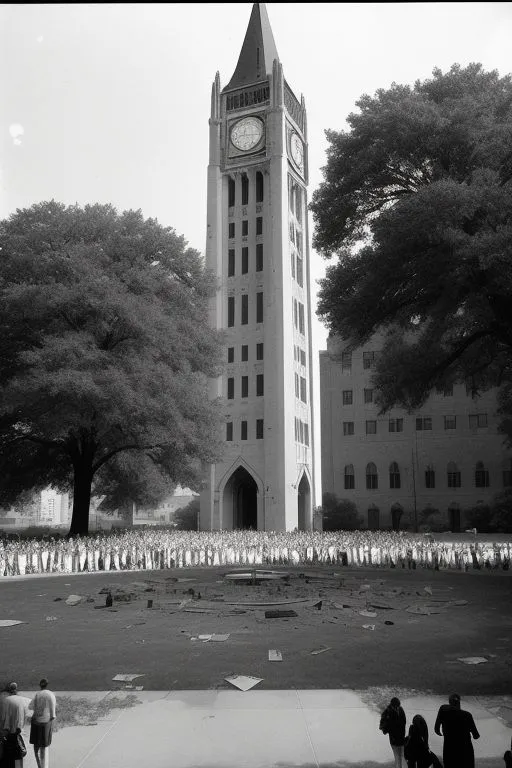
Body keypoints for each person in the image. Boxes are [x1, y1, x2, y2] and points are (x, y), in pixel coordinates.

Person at [434, 693, 480, 768]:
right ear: (459, 702)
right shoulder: (467, 715)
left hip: (449, 751)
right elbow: (476, 736)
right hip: (465, 752)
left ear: (449, 702)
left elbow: (436, 729)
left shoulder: (443, 710)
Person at [29, 678, 56, 768]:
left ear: (40, 685)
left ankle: (39, 765)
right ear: (47, 685)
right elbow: (53, 714)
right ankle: (43, 766)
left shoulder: (37, 694)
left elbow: (30, 707)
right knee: (44, 746)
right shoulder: (51, 694)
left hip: (36, 722)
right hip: (46, 723)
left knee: (36, 746)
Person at [1, 682, 29, 768]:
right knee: (18, 757)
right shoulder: (23, 700)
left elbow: (3, 718)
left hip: (8, 734)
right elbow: (27, 716)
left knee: (7, 760)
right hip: (19, 733)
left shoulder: (6, 700)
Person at [380, 696, 407, 768]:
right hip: (394, 738)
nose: (397, 707)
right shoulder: (388, 712)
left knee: (401, 755)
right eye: (396, 706)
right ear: (393, 705)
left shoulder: (400, 709)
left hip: (401, 737)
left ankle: (401, 766)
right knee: (397, 755)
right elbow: (383, 725)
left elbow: (404, 722)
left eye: (398, 706)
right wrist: (388, 730)